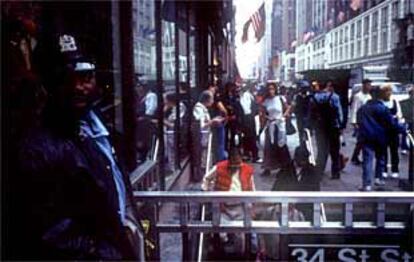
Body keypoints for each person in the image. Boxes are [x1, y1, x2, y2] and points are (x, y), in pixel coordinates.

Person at [16, 34, 140, 259]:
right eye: (66, 79)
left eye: (85, 77)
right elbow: (49, 231)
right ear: (49, 85)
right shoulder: (37, 147)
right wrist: (105, 254)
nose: (78, 87)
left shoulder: (99, 126)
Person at [201, 147, 256, 258]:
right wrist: (207, 191)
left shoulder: (248, 170)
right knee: (221, 234)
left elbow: (252, 189)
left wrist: (252, 206)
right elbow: (206, 179)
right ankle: (221, 255)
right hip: (223, 207)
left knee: (240, 237)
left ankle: (240, 256)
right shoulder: (219, 167)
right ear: (229, 160)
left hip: (240, 208)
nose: (235, 168)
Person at [357, 85, 406, 191]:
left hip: (367, 137)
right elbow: (391, 123)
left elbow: (359, 122)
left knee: (368, 160)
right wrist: (403, 128)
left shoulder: (363, 108)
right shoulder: (383, 108)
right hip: (381, 137)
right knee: (381, 158)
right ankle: (379, 178)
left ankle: (367, 184)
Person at [309, 80, 344, 179]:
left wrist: (312, 126)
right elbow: (339, 113)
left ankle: (319, 172)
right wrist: (341, 125)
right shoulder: (334, 97)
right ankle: (335, 173)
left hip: (320, 127)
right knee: (335, 150)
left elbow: (311, 114)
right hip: (333, 126)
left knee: (321, 150)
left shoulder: (314, 98)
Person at [191, 90, 224, 183]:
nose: (213, 101)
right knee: (203, 160)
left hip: (205, 138)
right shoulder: (198, 109)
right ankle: (204, 179)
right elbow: (200, 125)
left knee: (207, 158)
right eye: (212, 99)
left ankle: (207, 178)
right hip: (200, 138)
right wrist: (213, 121)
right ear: (207, 99)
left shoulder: (204, 109)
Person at [260, 82, 292, 176]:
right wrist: (264, 121)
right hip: (270, 125)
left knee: (281, 146)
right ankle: (268, 168)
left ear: (275, 89)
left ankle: (284, 167)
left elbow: (288, 108)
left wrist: (284, 116)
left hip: (280, 125)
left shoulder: (281, 98)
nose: (271, 91)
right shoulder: (266, 101)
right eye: (269, 89)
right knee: (268, 147)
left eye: (272, 89)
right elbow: (262, 113)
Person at [380, 84, 404, 178]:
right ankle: (384, 169)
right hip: (383, 130)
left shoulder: (394, 102)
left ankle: (395, 169)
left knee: (394, 151)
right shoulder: (380, 103)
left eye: (389, 91)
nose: (388, 93)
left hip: (393, 130)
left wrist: (399, 122)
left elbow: (399, 114)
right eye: (386, 91)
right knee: (383, 151)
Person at [350, 79, 372, 165]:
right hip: (360, 121)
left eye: (370, 85)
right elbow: (354, 109)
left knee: (364, 140)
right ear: (364, 85)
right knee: (361, 140)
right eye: (367, 85)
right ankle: (355, 156)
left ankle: (359, 156)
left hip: (368, 120)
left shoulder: (369, 96)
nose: (369, 87)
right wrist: (354, 122)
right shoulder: (358, 96)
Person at [164, 92, 187, 172]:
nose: (165, 102)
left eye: (166, 100)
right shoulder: (173, 108)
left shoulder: (179, 108)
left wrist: (163, 121)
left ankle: (174, 168)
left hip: (175, 133)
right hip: (171, 132)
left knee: (173, 151)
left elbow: (175, 125)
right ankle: (172, 167)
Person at [136, 81, 158, 162]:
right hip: (141, 122)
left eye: (139, 86)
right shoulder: (142, 97)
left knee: (145, 140)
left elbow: (150, 110)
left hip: (146, 122)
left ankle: (144, 156)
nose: (137, 88)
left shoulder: (151, 96)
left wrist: (143, 117)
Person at [240, 82, 260, 162]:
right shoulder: (246, 96)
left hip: (250, 118)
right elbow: (246, 109)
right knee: (250, 137)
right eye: (254, 86)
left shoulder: (250, 95)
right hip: (248, 119)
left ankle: (249, 154)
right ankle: (251, 155)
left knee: (250, 137)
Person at [400, 85, 414, 154]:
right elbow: (404, 113)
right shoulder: (405, 102)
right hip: (408, 120)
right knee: (405, 133)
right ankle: (404, 147)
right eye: (412, 94)